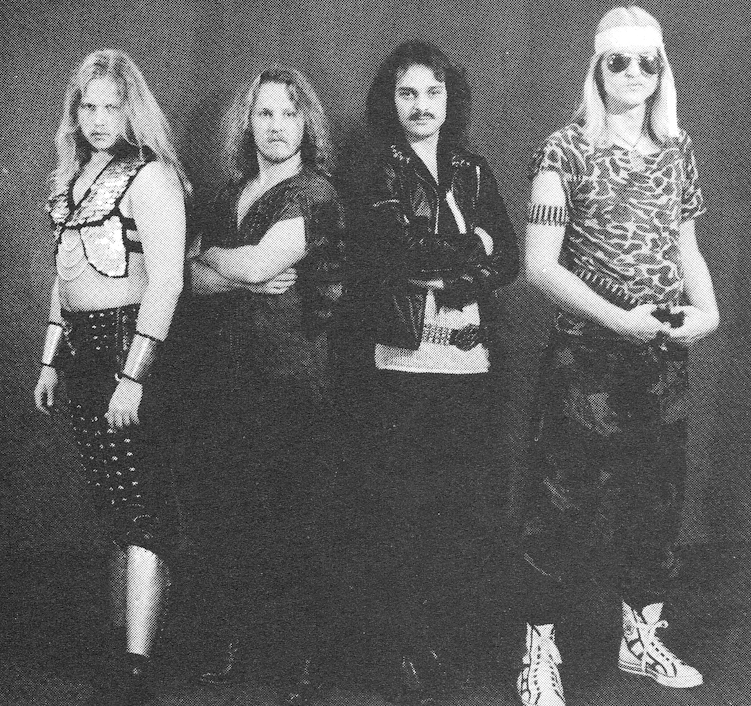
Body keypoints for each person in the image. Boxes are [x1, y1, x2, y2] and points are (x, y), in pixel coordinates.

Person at [518, 6, 719, 705]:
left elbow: (685, 244)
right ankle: (539, 652)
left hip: (659, 360)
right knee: (559, 504)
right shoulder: (564, 150)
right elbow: (538, 265)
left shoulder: (675, 149)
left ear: (662, 70)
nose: (634, 73)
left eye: (647, 61)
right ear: (597, 68)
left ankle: (641, 640)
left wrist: (708, 311)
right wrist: (616, 319)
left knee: (655, 504)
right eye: (619, 61)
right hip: (586, 362)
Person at [354, 40, 518, 702]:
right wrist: (473, 246)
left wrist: (466, 263)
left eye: (433, 92)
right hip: (401, 362)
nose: (421, 105)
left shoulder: (473, 169)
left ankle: (444, 642)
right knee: (400, 507)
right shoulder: (376, 171)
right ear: (389, 102)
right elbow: (398, 252)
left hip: (469, 362)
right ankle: (401, 647)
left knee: (459, 506)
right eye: (408, 93)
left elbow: (509, 257)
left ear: (451, 100)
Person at [33, 49, 189, 704]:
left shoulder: (149, 177)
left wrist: (135, 375)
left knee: (140, 503)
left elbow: (167, 280)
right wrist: (49, 358)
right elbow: (64, 278)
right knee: (113, 503)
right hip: (83, 353)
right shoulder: (73, 178)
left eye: (111, 106)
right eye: (88, 106)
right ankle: (119, 642)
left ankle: (136, 664)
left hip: (129, 347)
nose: (98, 119)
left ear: (132, 109)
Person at [186, 66, 345, 704]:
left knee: (295, 518)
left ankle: (299, 661)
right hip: (228, 377)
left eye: (287, 113)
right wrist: (227, 268)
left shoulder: (316, 192)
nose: (275, 126)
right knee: (232, 514)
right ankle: (235, 648)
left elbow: (250, 265)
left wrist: (217, 261)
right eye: (264, 113)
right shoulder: (231, 192)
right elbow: (190, 281)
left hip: (294, 378)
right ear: (247, 124)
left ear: (306, 123)